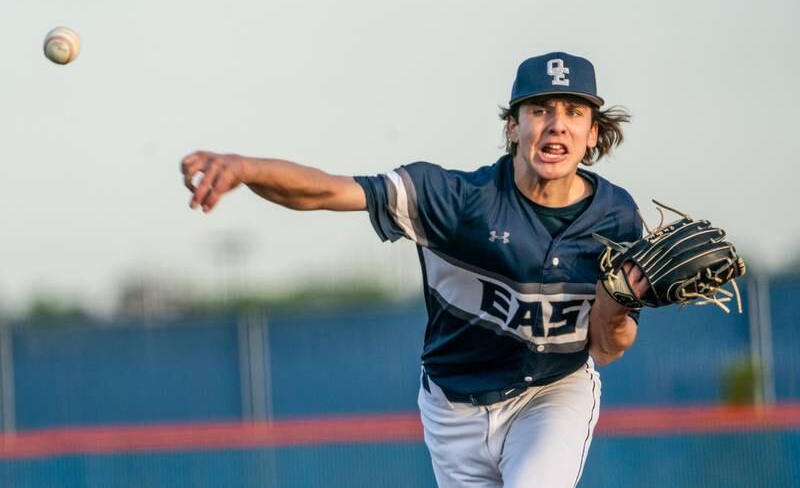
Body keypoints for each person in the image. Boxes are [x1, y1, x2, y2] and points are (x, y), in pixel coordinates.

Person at [180, 51, 649, 488]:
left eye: (574, 112)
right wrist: (246, 168)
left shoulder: (616, 219)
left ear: (592, 133)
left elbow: (607, 349)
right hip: (454, 410)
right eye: (540, 109)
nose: (557, 125)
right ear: (512, 127)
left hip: (551, 395)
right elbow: (327, 192)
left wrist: (617, 300)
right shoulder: (455, 200)